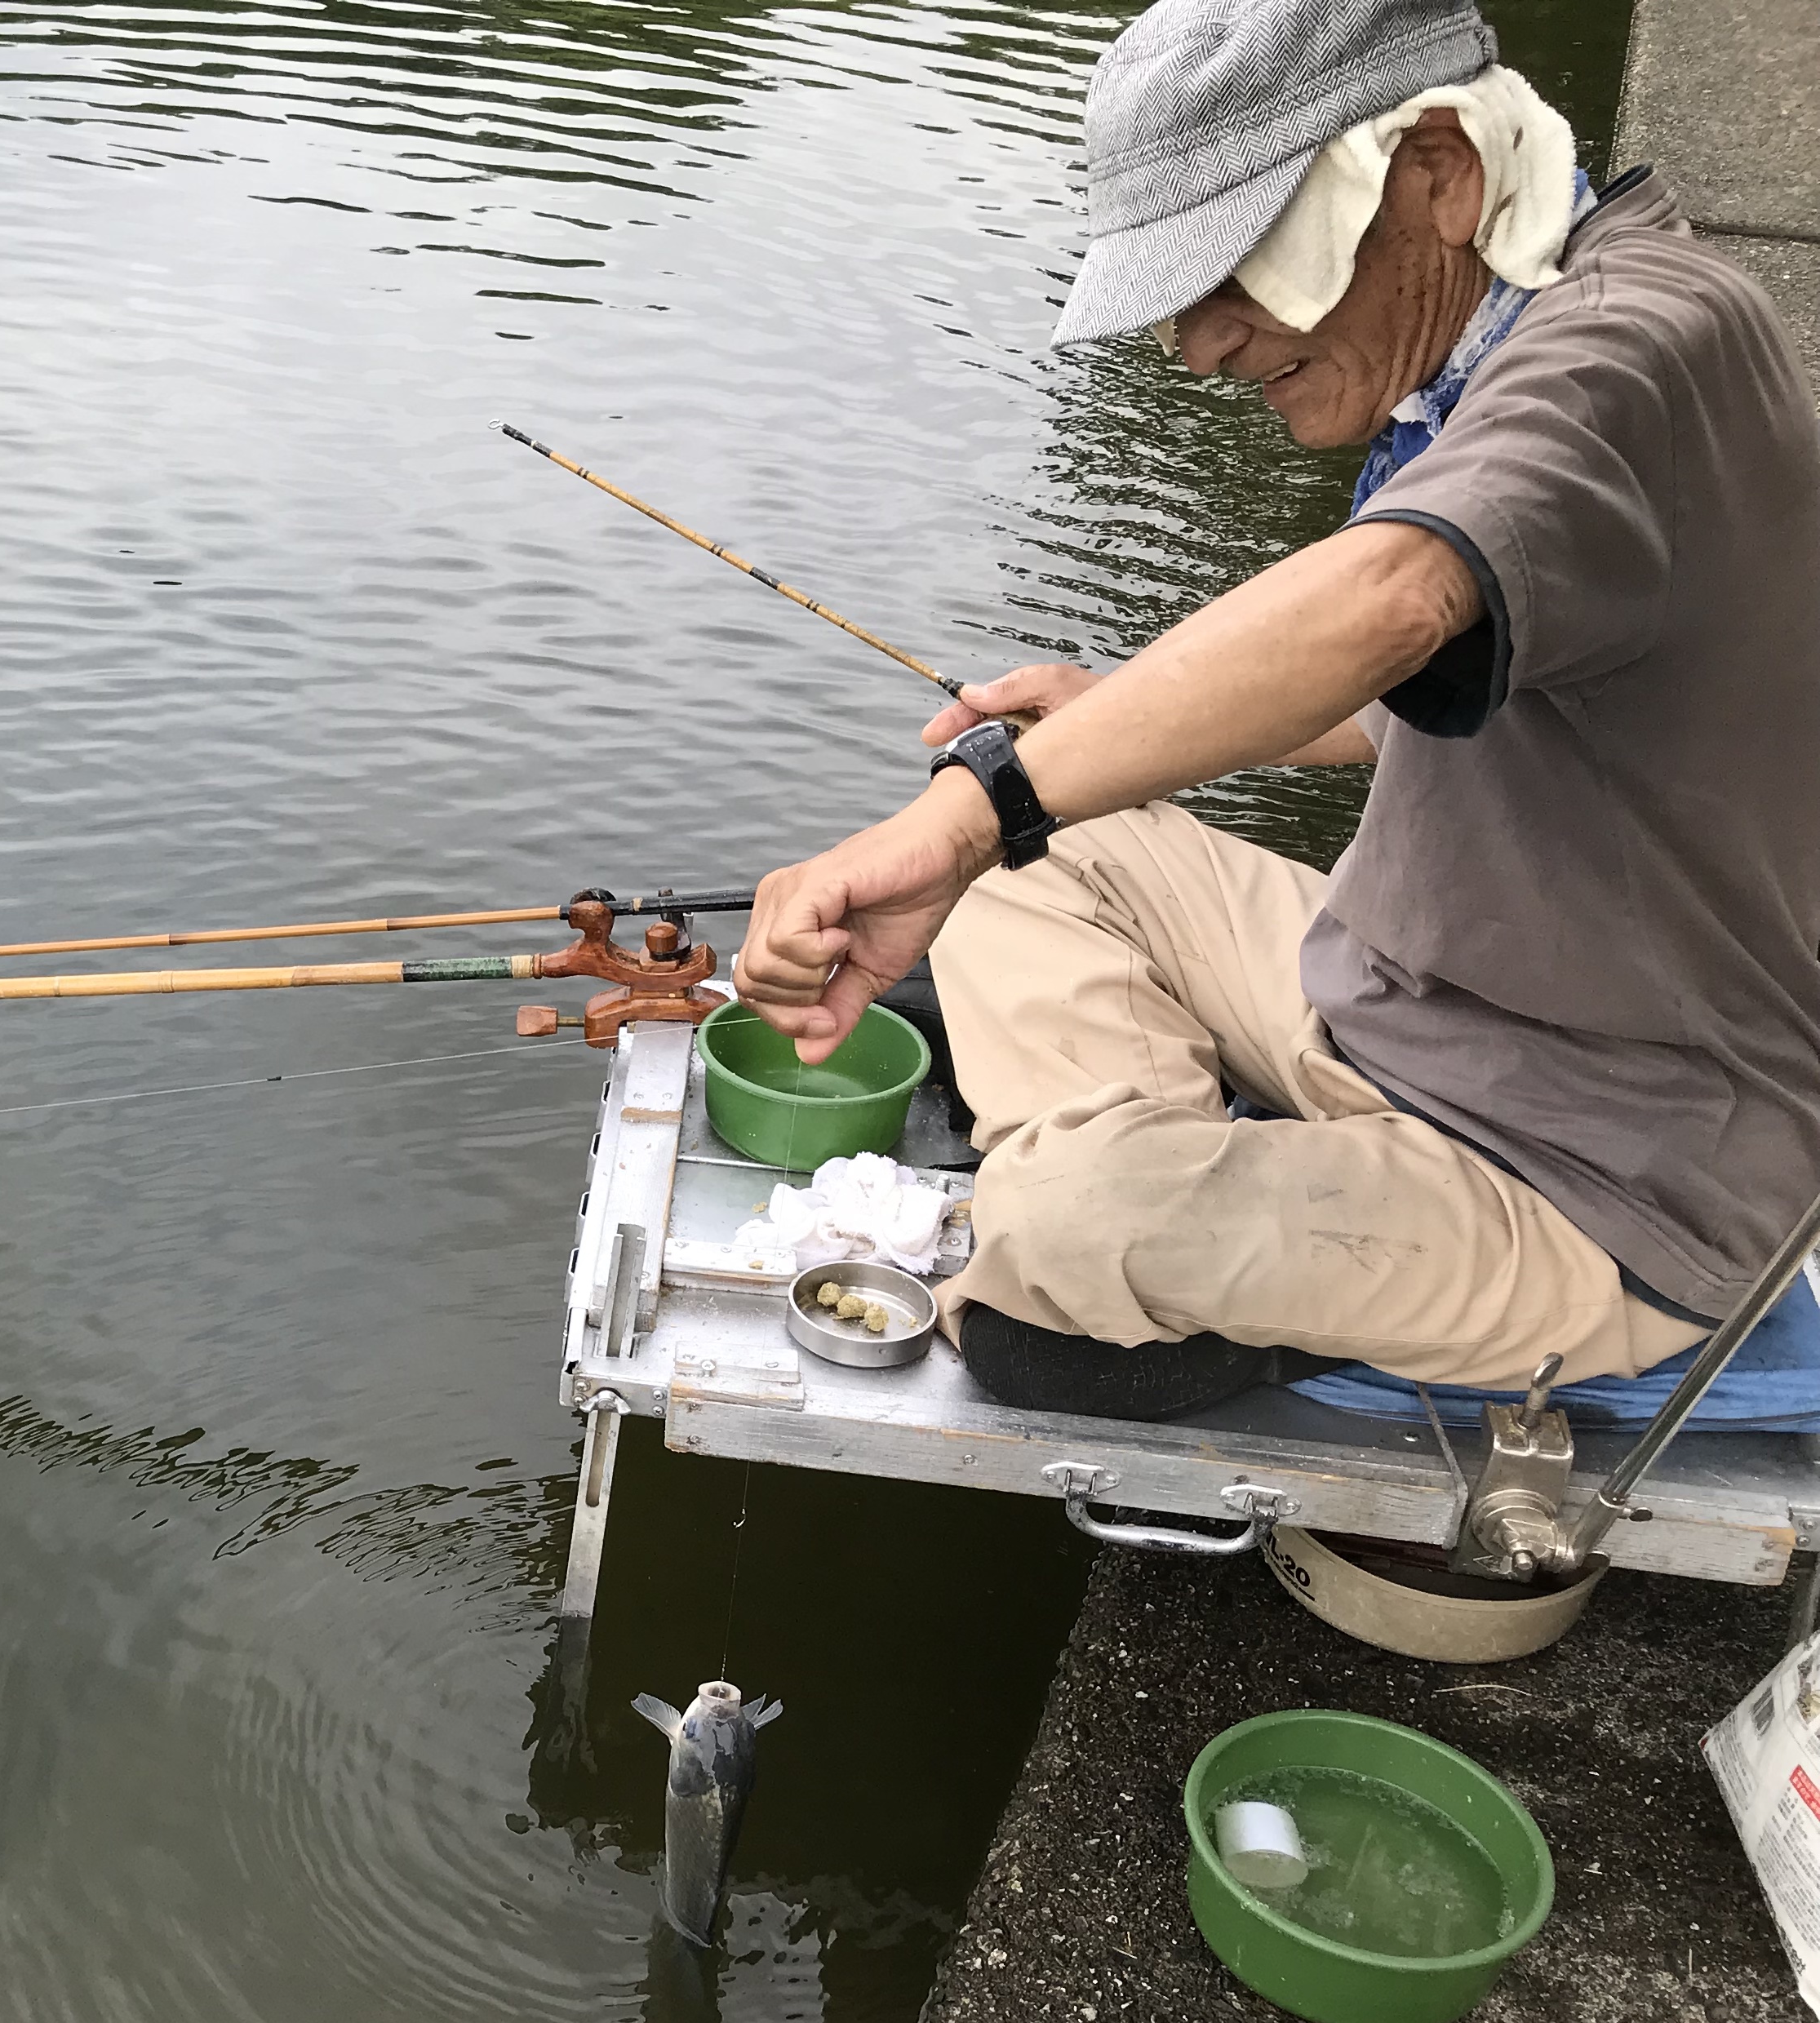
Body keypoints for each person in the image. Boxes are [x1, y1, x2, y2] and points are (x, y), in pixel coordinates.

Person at [731, 0, 1820, 1421]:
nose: (1200, 345)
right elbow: (1426, 691)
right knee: (1033, 858)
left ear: (1438, 171)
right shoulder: (1501, 341)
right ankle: (1179, 1183)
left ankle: (1138, 1200)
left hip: (1598, 1169)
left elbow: (1390, 604)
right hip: (1389, 1007)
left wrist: (963, 813)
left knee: (1050, 1246)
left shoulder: (1633, 347)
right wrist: (1089, 736)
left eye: (1239, 260)